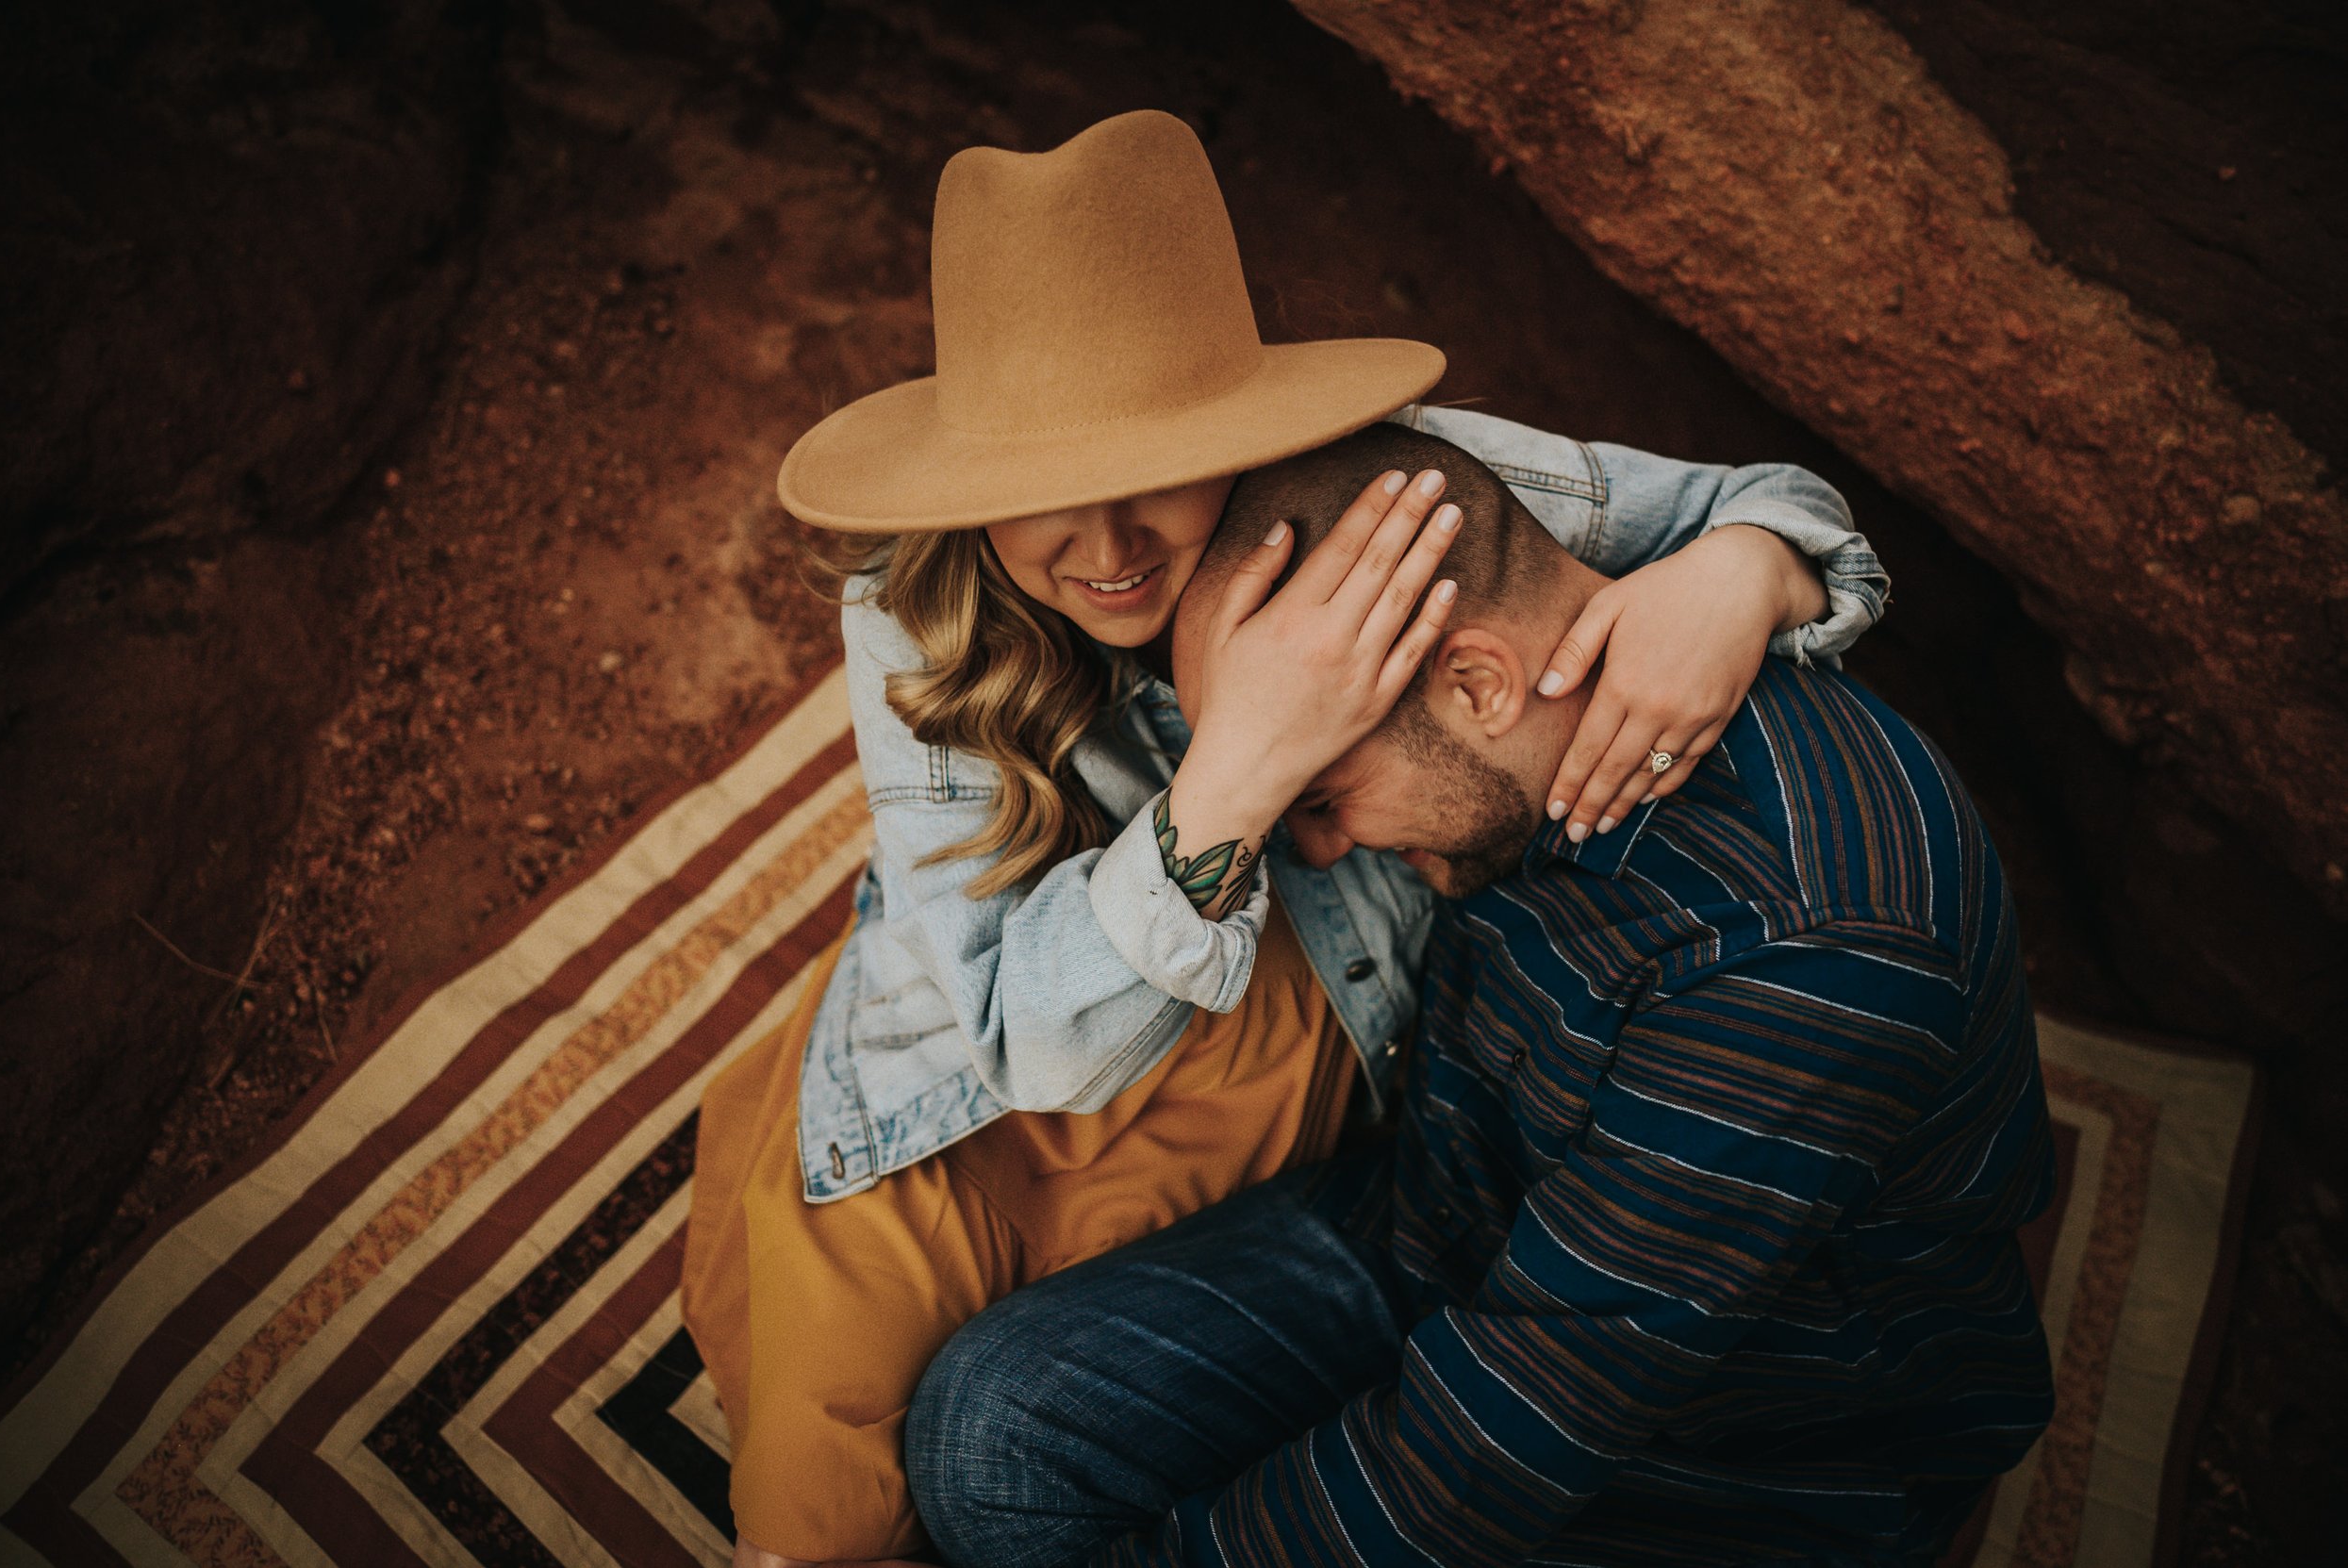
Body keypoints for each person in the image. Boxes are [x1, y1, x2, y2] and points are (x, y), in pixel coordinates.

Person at [679, 109, 1893, 1568]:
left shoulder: (1382, 487)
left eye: (1159, 467)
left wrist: (1744, 572)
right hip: (991, 1062)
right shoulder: (909, 616)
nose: (1108, 539)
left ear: (1238, 428)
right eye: (1035, 494)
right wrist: (1239, 766)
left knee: (1050, 1418)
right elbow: (1023, 1041)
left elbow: (1775, 506)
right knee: (829, 1497)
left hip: (1288, 1033)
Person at [902, 422, 2057, 1568]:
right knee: (992, 1439)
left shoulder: (1803, 956)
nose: (1310, 853)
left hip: (1742, 1439)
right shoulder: (1514, 728)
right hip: (1452, 1210)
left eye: (1319, 786)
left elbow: (1498, 1439)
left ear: (1474, 680)